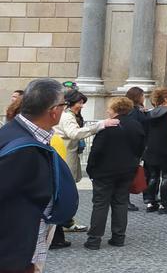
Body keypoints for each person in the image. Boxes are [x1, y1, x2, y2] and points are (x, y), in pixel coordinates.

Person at [0, 79, 66, 273]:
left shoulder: (15, 131)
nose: (65, 109)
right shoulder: (23, 147)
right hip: (13, 250)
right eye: (64, 105)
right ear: (54, 110)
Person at [51, 89, 120, 248]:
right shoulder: (67, 116)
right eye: (80, 102)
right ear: (70, 102)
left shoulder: (68, 115)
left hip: (68, 154)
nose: (81, 106)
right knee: (64, 191)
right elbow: (74, 133)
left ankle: (66, 222)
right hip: (65, 155)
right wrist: (100, 125)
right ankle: (64, 223)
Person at [84, 97, 145, 250]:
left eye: (109, 108)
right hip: (127, 170)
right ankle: (118, 237)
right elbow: (141, 148)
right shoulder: (136, 125)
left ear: (115, 109)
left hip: (104, 172)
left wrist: (91, 169)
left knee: (100, 204)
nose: (107, 110)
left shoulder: (108, 126)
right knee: (121, 203)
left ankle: (94, 239)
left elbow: (96, 151)